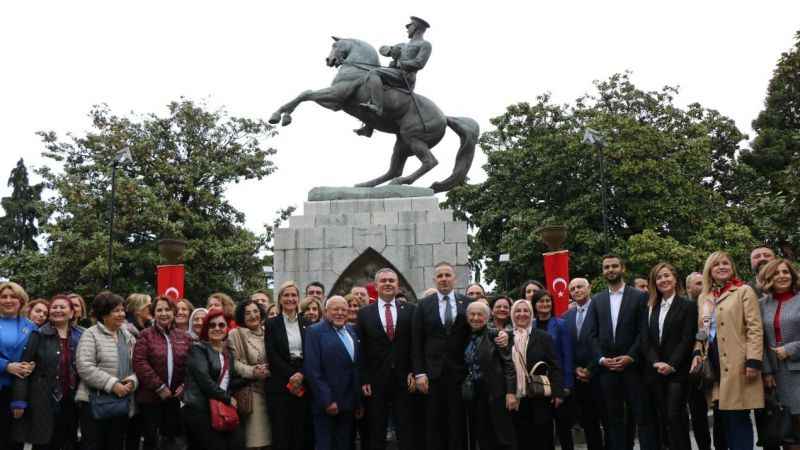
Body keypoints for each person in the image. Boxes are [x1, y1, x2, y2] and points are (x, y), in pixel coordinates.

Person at [690, 251, 764, 450]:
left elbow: (754, 328)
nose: (721, 267)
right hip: (713, 364)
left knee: (738, 416)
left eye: (725, 263)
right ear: (709, 270)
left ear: (732, 268)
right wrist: (697, 352)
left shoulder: (744, 291)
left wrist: (753, 361)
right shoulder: (704, 297)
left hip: (738, 362)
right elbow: (702, 330)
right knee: (723, 418)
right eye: (716, 264)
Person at [585, 255, 656, 450]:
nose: (610, 270)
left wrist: (631, 356)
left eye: (614, 266)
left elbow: (644, 331)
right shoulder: (597, 300)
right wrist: (601, 359)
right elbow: (591, 334)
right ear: (603, 271)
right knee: (613, 421)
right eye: (606, 267)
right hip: (607, 370)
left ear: (622, 268)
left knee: (643, 418)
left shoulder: (640, 297)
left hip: (633, 368)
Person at [412, 261, 472, 450]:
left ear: (454, 278)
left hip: (459, 374)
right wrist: (419, 373)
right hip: (432, 375)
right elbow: (416, 341)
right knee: (434, 422)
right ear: (434, 279)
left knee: (457, 422)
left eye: (447, 275)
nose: (444, 279)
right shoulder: (422, 306)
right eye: (440, 276)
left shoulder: (467, 304)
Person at [356, 268, 417, 450]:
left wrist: (414, 371)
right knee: (376, 429)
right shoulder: (364, 313)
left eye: (392, 280)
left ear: (398, 285)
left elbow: (415, 345)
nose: (388, 284)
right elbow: (362, 349)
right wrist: (364, 378)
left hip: (405, 379)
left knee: (406, 428)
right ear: (376, 286)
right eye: (384, 281)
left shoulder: (411, 310)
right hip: (375, 380)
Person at [639, 263, 697, 450]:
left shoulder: (687, 306)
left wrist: (671, 364)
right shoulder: (650, 307)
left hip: (677, 371)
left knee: (675, 416)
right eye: (658, 277)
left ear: (674, 278)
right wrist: (656, 362)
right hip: (655, 370)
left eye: (666, 276)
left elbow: (687, 339)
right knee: (662, 417)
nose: (663, 280)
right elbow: (645, 339)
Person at [11, 293, 78, 450]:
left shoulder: (80, 336)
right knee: (44, 443)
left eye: (62, 307)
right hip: (43, 400)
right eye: (54, 307)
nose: (57, 310)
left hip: (72, 401)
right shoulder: (38, 335)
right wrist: (19, 401)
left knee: (68, 441)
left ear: (71, 313)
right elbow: (24, 368)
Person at [75, 291, 138, 450]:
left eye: (122, 310)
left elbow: (138, 364)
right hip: (94, 402)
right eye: (116, 310)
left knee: (116, 444)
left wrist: (132, 381)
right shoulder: (90, 334)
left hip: (121, 403)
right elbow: (84, 366)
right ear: (103, 314)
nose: (121, 314)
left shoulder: (128, 336)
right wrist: (113, 384)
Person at [133, 296, 192, 450]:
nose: (164, 313)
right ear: (153, 313)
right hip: (150, 398)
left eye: (167, 309)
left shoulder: (184, 337)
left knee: (172, 441)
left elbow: (192, 365)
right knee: (151, 440)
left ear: (173, 312)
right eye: (159, 310)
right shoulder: (145, 334)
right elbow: (139, 362)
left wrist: (185, 385)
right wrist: (159, 386)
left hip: (175, 398)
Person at [182, 308, 245, 450]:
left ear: (227, 328)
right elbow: (204, 380)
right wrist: (228, 399)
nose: (217, 328)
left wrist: (254, 376)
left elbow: (230, 382)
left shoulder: (228, 354)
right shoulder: (197, 349)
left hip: (220, 410)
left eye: (221, 325)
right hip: (200, 411)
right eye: (212, 325)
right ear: (206, 328)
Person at [304, 296, 361, 450]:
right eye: (336, 309)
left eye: (344, 310)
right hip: (327, 403)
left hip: (349, 403)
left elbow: (354, 366)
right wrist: (327, 400)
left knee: (345, 444)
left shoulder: (351, 330)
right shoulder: (314, 332)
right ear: (325, 312)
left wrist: (358, 402)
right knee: (325, 445)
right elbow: (312, 370)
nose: (340, 313)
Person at [509, 299, 564, 450]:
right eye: (517, 311)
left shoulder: (543, 337)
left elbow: (555, 366)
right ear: (512, 314)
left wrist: (557, 392)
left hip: (539, 396)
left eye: (525, 311)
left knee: (543, 438)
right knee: (520, 439)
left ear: (531, 313)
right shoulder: (505, 337)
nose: (522, 314)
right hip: (515, 398)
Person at [265, 281, 313, 450]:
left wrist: (301, 374)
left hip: (304, 378)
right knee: (282, 430)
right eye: (286, 295)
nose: (290, 299)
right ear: (279, 299)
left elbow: (312, 353)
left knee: (302, 429)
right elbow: (271, 354)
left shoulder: (307, 323)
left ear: (298, 299)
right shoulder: (271, 324)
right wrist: (291, 375)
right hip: (280, 381)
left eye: (293, 295)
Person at [464, 301, 517, 450]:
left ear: (487, 317)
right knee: (483, 436)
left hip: (496, 394)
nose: (475, 318)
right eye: (472, 314)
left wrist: (511, 392)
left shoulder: (495, 335)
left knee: (502, 436)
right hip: (475, 394)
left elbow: (508, 365)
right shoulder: (465, 336)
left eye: (480, 314)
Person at [759, 258, 800, 443]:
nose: (782, 276)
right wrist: (767, 371)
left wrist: (791, 348)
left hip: (798, 370)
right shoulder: (762, 304)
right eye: (776, 273)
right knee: (786, 431)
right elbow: (759, 339)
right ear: (768, 278)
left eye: (785, 272)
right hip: (776, 376)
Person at [359, 16, 432, 119]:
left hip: (406, 76)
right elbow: (382, 50)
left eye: (409, 26)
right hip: (394, 73)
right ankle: (369, 125)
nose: (406, 28)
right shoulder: (402, 45)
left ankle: (377, 106)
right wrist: (390, 50)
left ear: (416, 27)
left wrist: (401, 64)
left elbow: (419, 63)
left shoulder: (425, 45)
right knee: (372, 83)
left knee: (374, 73)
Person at [563, 278, 604, 450]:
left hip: (599, 374)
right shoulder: (567, 316)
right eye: (572, 288)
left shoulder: (601, 311)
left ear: (589, 288)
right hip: (578, 378)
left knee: (607, 421)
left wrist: (590, 369)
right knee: (588, 422)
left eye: (580, 286)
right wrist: (575, 369)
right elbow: (566, 347)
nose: (576, 290)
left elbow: (604, 342)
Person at [531, 290, 574, 450]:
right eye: (541, 301)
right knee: (544, 430)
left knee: (564, 430)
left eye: (548, 301)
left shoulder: (561, 324)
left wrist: (566, 386)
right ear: (534, 305)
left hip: (559, 384)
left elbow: (567, 356)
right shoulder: (531, 325)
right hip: (539, 386)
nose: (545, 304)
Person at [228, 299, 272, 450]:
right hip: (252, 393)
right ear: (241, 316)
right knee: (256, 441)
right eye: (247, 313)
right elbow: (233, 363)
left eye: (255, 311)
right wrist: (253, 371)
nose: (253, 315)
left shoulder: (269, 332)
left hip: (272, 392)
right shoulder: (236, 334)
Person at [683, 271, 718, 450]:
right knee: (698, 415)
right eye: (698, 283)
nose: (703, 286)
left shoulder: (713, 305)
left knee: (719, 411)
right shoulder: (682, 307)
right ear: (688, 287)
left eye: (704, 283)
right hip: (691, 370)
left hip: (712, 365)